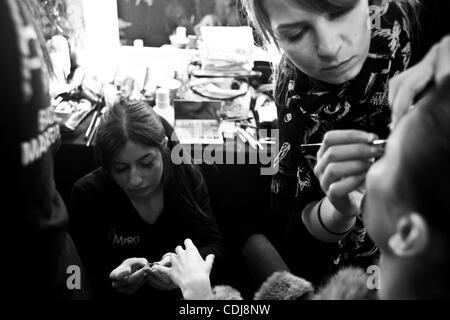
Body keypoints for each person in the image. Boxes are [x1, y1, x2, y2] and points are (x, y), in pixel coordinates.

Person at [241, 0, 420, 286]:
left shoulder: (422, 32)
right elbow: (298, 236)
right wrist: (338, 210)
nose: (329, 47)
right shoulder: (292, 91)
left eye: (341, 12)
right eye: (296, 34)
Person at [69, 100, 225, 299]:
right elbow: (73, 273)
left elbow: (216, 246)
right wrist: (110, 282)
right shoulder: (88, 195)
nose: (135, 180)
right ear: (107, 166)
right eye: (120, 168)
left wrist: (183, 270)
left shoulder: (186, 175)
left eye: (147, 163)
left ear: (164, 147)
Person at [1, 0, 91, 299]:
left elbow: (42, 134)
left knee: (77, 281)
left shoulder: (17, 13)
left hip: (57, 255)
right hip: (30, 266)